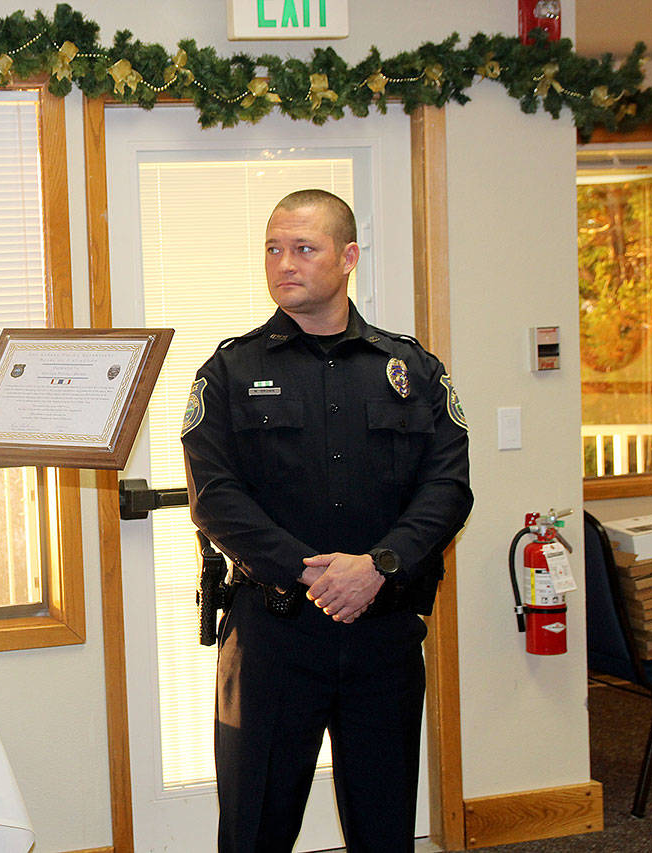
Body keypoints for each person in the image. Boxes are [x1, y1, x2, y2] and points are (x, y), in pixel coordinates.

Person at [180, 189, 473, 852]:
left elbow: (448, 488)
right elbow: (216, 497)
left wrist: (377, 567)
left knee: (384, 826)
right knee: (255, 829)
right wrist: (316, 575)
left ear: (348, 258)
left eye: (304, 248)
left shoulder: (412, 370)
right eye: (274, 248)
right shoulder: (229, 371)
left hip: (383, 633)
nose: (285, 262)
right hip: (272, 639)